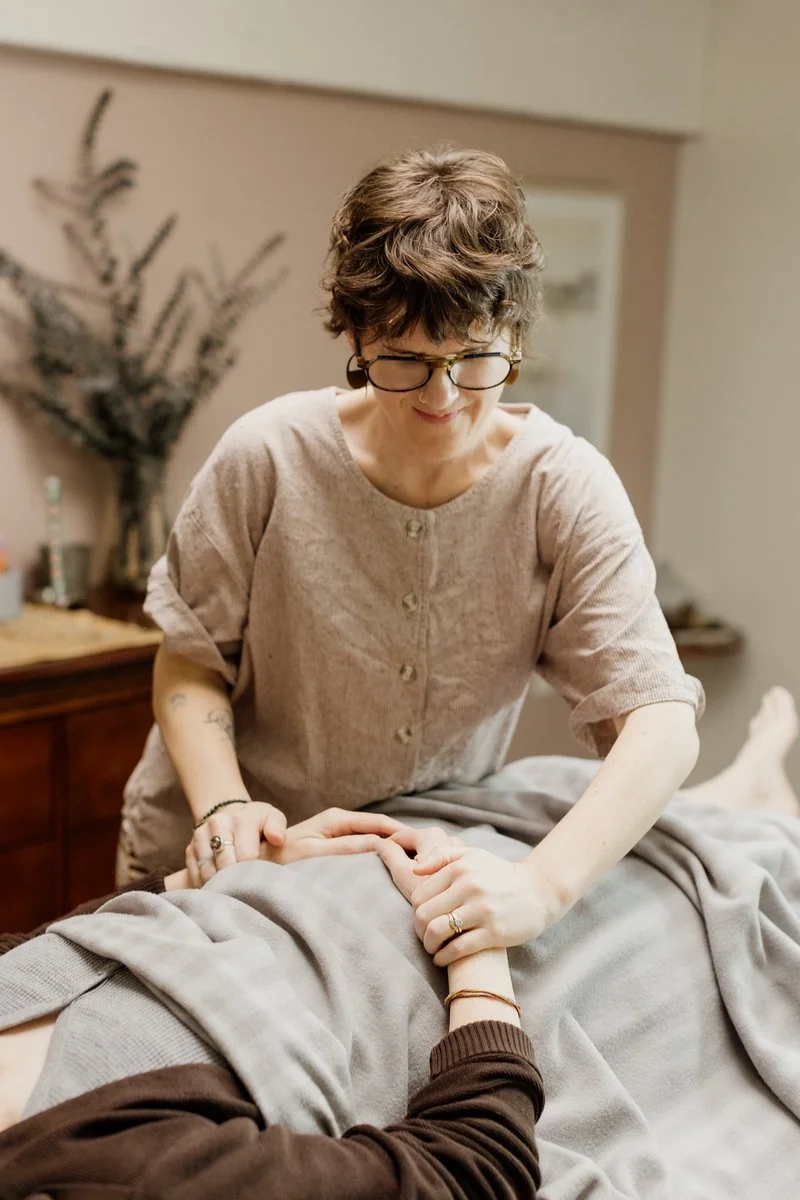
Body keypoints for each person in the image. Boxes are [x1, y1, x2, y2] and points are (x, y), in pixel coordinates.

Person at [117, 144, 704, 966]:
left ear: (515, 336)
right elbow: (188, 664)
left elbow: (661, 726)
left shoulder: (561, 488)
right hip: (226, 854)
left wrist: (542, 887)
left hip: (390, 883)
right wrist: (225, 809)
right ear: (356, 334)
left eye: (473, 359)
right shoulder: (267, 457)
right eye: (406, 360)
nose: (441, 397)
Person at [0, 813, 545, 1200]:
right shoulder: (121, 1173)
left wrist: (214, 872)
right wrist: (477, 951)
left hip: (393, 840)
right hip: (465, 943)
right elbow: (471, 1170)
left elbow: (30, 945)